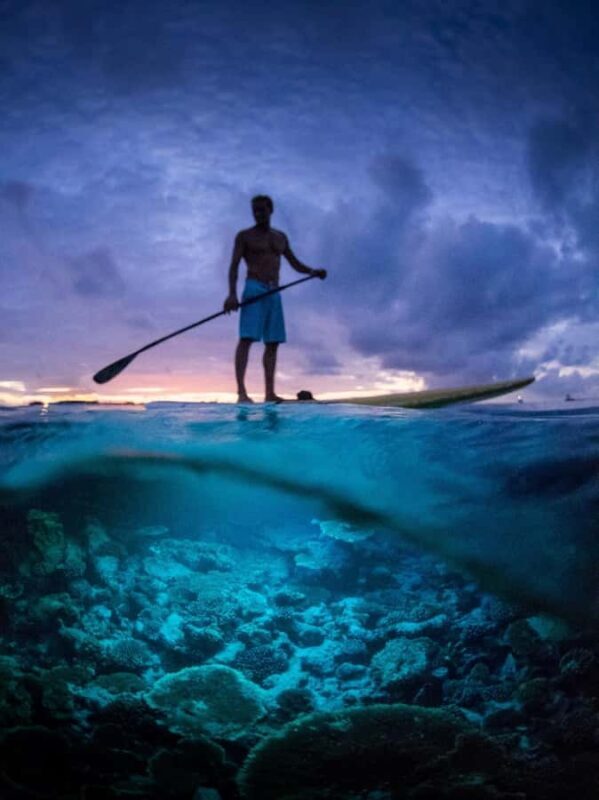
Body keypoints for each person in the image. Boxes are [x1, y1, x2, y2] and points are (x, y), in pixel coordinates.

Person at [223, 195, 327, 403]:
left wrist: (312, 272)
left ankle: (269, 393)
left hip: (274, 291)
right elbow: (234, 265)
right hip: (253, 288)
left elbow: (294, 263)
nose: (258, 214)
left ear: (271, 210)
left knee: (273, 343)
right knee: (247, 338)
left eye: (262, 209)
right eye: (255, 210)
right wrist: (232, 294)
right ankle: (241, 393)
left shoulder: (280, 237)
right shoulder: (244, 236)